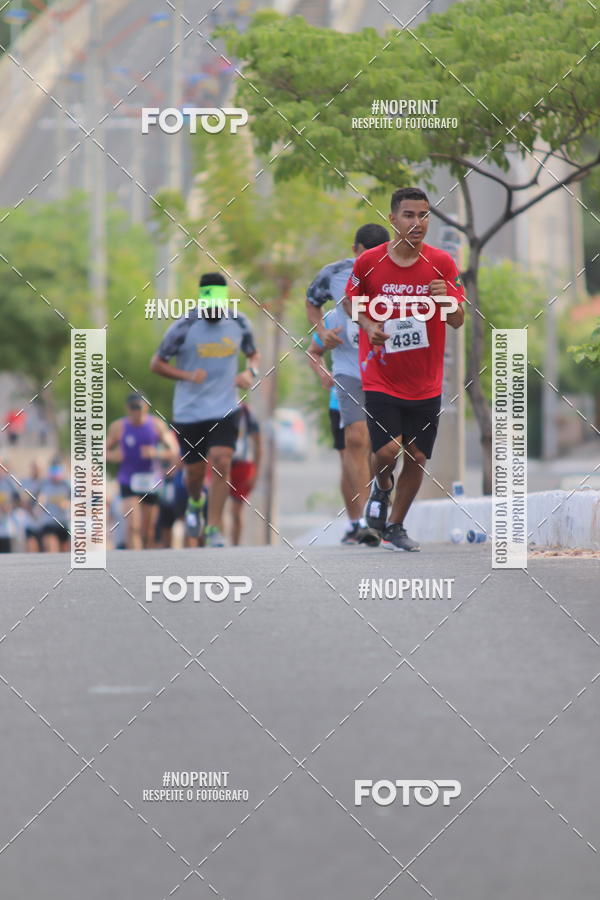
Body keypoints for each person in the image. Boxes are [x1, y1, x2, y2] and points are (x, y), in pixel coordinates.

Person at [344, 186, 465, 551]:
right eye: (409, 215)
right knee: (386, 452)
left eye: (423, 215)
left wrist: (446, 299)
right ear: (393, 218)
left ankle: (394, 526)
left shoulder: (442, 264)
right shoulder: (369, 262)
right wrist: (368, 325)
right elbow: (352, 302)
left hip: (425, 380)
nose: (417, 223)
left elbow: (458, 319)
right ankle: (382, 486)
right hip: (380, 374)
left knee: (417, 456)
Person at [150, 272, 260, 548]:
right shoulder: (183, 326)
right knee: (195, 473)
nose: (213, 309)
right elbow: (157, 363)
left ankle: (212, 528)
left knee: (222, 461)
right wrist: (187, 376)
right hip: (189, 411)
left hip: (225, 407)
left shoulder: (239, 322)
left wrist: (250, 372)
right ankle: (195, 502)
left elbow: (253, 354)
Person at [306, 223, 390, 544]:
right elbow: (311, 302)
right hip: (348, 371)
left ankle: (380, 504)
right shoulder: (335, 275)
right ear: (354, 251)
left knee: (385, 449)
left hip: (386, 371)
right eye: (365, 256)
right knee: (354, 443)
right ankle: (361, 519)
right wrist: (322, 333)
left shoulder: (398, 274)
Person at [106, 394, 179, 550]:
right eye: (132, 407)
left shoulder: (157, 425)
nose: (136, 411)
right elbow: (102, 451)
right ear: (127, 408)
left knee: (148, 529)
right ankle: (134, 560)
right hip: (128, 480)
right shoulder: (118, 427)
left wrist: (156, 453)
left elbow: (173, 451)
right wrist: (114, 455)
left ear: (146, 407)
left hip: (150, 480)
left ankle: (143, 557)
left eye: (138, 407)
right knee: (134, 525)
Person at [227, 402, 261, 546]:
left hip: (242, 465)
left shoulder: (247, 413)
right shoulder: (217, 408)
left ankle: (235, 545)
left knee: (236, 510)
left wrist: (255, 473)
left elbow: (258, 444)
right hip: (223, 463)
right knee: (218, 505)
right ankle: (217, 542)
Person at [37, 460, 71, 553]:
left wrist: (67, 504)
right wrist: (40, 502)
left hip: (63, 521)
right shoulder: (45, 485)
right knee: (52, 546)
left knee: (64, 550)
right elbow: (39, 500)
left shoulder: (66, 485)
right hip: (49, 522)